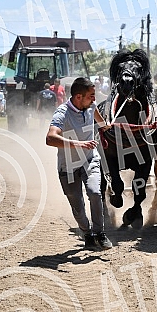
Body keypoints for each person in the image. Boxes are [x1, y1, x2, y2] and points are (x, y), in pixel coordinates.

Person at [46, 77, 112, 250]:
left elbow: (98, 118)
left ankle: (99, 233)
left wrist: (105, 126)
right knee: (77, 205)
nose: (94, 99)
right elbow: (50, 138)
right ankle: (87, 233)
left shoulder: (91, 107)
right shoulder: (62, 113)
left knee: (95, 193)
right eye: (91, 95)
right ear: (78, 97)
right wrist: (78, 144)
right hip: (67, 166)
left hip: (90, 160)